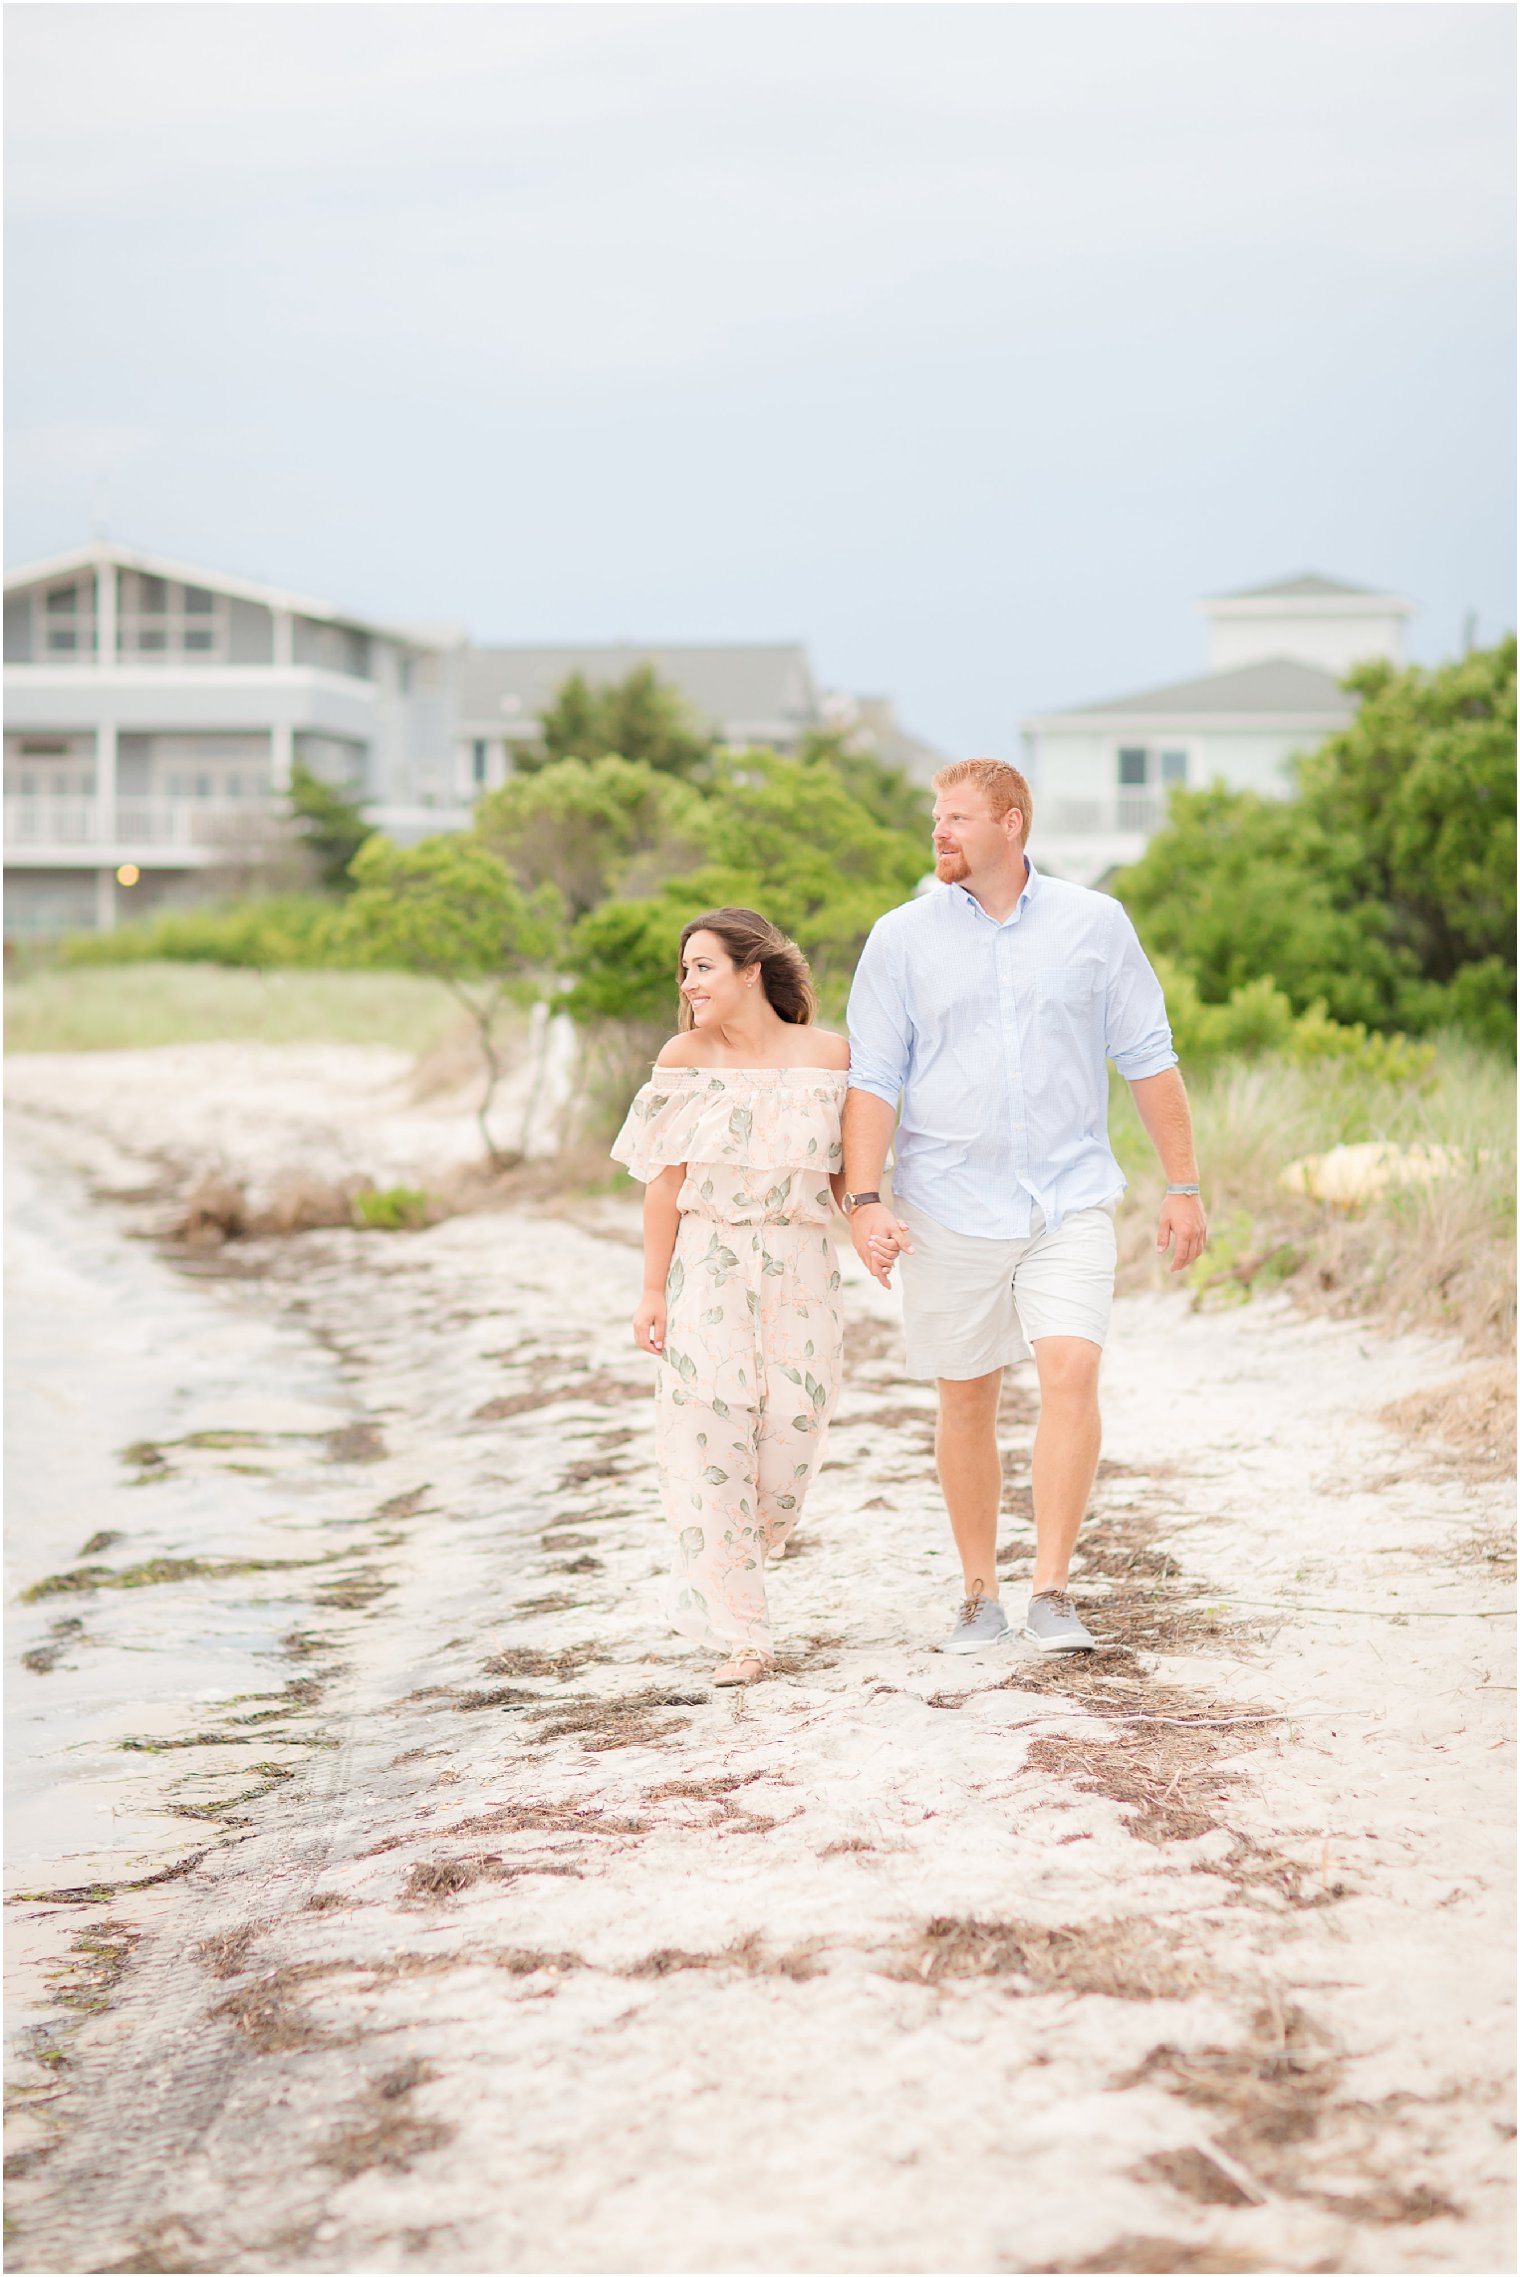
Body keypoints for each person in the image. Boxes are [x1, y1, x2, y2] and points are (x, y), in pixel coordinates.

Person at [840, 758, 1207, 1657]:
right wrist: (863, 1199)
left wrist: (1184, 1184)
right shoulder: (900, 937)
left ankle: (1052, 1587)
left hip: (1068, 1196)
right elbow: (873, 1077)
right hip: (945, 1203)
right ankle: (977, 1593)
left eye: (958, 817)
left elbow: (1149, 1057)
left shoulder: (1096, 924)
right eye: (936, 816)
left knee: (1072, 1373)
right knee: (966, 1398)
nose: (940, 831)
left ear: (1012, 823)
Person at [611, 907, 850, 1686]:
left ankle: (729, 1559)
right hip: (708, 1258)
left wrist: (882, 1221)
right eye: (684, 971)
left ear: (753, 969)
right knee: (709, 1435)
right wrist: (652, 1289)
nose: (689, 984)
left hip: (803, 1265)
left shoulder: (830, 1056)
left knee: (790, 1436)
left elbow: (853, 1174)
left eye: (703, 966)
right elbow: (663, 1185)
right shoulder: (684, 1057)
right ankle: (747, 1634)